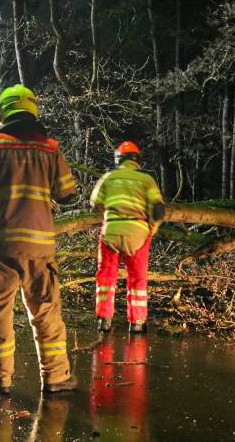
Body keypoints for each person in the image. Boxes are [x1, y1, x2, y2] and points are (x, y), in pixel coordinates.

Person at [0, 84, 79, 396]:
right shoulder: (50, 148)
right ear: (33, 110)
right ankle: (56, 379)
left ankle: (0, 380)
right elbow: (67, 195)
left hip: (0, 245)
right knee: (46, 314)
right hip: (39, 247)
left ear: (2, 112)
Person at [89, 141, 165, 333]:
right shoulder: (147, 180)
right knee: (138, 277)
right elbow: (158, 210)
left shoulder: (108, 177)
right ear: (137, 160)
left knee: (106, 274)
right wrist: (152, 228)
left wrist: (110, 212)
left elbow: (95, 202)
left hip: (112, 232)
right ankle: (137, 323)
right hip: (138, 233)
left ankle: (104, 320)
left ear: (118, 160)